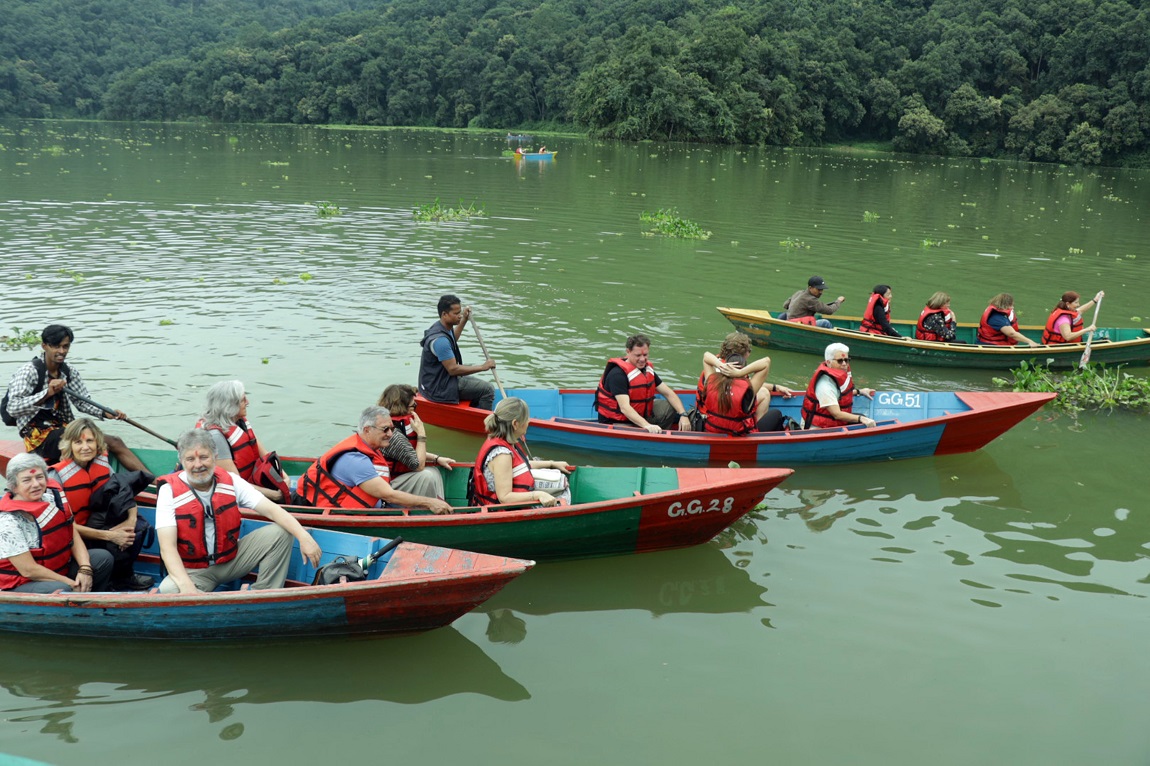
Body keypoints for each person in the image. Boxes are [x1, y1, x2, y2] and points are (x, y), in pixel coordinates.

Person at [154, 429, 321, 594]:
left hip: (232, 560)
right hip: (193, 571)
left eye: (204, 457)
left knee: (281, 532)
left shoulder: (230, 481)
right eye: (190, 459)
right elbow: (167, 548)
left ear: (215, 456)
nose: (198, 465)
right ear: (182, 461)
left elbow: (272, 510)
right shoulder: (169, 491)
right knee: (168, 590)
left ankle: (265, 594)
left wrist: (303, 536)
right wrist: (187, 589)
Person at [4, 324, 146, 470]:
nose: (61, 351)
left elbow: (82, 402)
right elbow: (13, 408)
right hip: (37, 436)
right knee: (87, 443)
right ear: (44, 346)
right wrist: (47, 392)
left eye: (65, 346)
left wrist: (105, 412)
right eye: (56, 346)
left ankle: (156, 482)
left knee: (115, 441)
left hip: (64, 428)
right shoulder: (29, 371)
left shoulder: (68, 371)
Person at [48, 418, 154, 590]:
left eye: (90, 441)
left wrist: (129, 522)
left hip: (98, 524)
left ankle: (123, 577)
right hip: (74, 537)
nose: (85, 447)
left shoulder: (102, 466)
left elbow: (126, 496)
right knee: (109, 546)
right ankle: (105, 580)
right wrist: (111, 536)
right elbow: (63, 526)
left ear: (97, 442)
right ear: (69, 445)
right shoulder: (57, 476)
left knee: (139, 526)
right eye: (78, 442)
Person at [297, 406, 453, 514]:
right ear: (367, 430)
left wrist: (436, 458)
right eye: (385, 429)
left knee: (430, 473)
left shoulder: (371, 444)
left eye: (392, 429)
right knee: (425, 487)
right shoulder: (356, 460)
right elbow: (388, 495)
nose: (391, 434)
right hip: (345, 513)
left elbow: (408, 453)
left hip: (376, 503)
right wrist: (430, 502)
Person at [0, 452, 113, 593]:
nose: (36, 484)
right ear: (14, 486)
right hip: (24, 581)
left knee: (103, 558)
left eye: (40, 477)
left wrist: (85, 569)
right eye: (27, 480)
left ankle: (89, 605)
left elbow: (72, 533)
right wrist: (71, 583)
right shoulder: (8, 521)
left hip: (58, 568)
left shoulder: (51, 498)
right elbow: (28, 570)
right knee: (64, 588)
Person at [195, 380, 289, 502]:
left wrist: (285, 478)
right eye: (243, 400)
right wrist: (273, 495)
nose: (248, 402)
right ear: (229, 405)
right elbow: (235, 483)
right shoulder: (215, 436)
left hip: (251, 484)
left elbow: (266, 456)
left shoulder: (239, 423)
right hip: (233, 493)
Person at [472, 397, 571, 508]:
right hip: (501, 512)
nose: (528, 421)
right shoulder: (502, 455)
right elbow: (504, 498)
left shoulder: (505, 440)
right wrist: (537, 495)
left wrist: (551, 463)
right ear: (515, 424)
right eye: (526, 418)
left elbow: (522, 465)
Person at [697, 333, 796, 434]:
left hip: (712, 428)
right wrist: (740, 372)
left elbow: (706, 356)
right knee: (776, 413)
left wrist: (721, 366)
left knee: (763, 392)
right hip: (738, 434)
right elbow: (766, 362)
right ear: (745, 355)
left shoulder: (711, 381)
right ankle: (756, 437)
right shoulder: (747, 390)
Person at [594, 333, 691, 433]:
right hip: (616, 422)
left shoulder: (646, 369)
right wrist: (647, 425)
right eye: (638, 355)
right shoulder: (617, 375)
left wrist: (683, 414)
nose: (642, 359)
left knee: (670, 406)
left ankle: (659, 435)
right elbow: (625, 408)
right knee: (643, 426)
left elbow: (668, 393)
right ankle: (650, 435)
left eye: (645, 355)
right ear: (628, 352)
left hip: (639, 415)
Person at [418, 294, 496, 410]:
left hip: (438, 380)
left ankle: (473, 412)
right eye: (456, 314)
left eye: (460, 312)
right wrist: (482, 367)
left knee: (482, 387)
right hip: (439, 387)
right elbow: (453, 369)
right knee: (488, 389)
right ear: (444, 314)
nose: (459, 316)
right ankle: (485, 425)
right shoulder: (440, 341)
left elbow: (452, 338)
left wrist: (464, 319)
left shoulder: (443, 327)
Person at [378, 384, 455, 500]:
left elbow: (409, 453)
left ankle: (439, 507)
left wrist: (437, 458)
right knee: (426, 476)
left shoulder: (401, 425)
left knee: (433, 471)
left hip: (399, 477)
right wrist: (421, 434)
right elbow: (418, 466)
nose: (415, 407)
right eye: (413, 405)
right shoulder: (392, 434)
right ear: (402, 407)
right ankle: (429, 511)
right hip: (388, 485)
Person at [800, 343, 878, 429]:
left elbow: (839, 394)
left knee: (861, 420)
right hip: (818, 427)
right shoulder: (825, 385)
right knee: (862, 420)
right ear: (828, 362)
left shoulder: (836, 376)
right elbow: (836, 414)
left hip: (833, 421)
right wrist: (861, 419)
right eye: (840, 361)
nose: (844, 364)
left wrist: (860, 391)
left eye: (846, 360)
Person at [780, 276, 846, 329]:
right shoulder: (810, 300)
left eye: (822, 289)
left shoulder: (799, 293)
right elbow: (830, 310)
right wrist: (838, 301)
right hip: (798, 324)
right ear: (810, 288)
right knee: (825, 323)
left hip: (789, 321)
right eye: (818, 289)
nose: (821, 292)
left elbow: (785, 305)